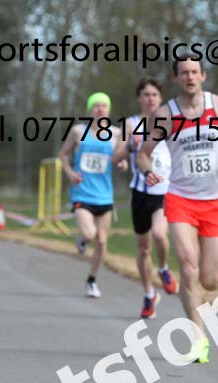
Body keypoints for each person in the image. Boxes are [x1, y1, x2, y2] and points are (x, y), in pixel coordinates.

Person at [138, 58, 218, 363]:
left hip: (216, 201)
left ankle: (200, 306)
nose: (190, 77)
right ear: (175, 78)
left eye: (194, 72)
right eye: (184, 72)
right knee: (187, 267)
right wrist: (148, 171)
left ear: (203, 76)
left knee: (210, 280)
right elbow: (143, 154)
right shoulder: (164, 115)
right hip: (181, 199)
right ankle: (199, 338)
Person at [58, 92, 128, 298]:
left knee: (101, 241)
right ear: (90, 110)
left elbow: (121, 159)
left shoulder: (116, 134)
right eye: (96, 106)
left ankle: (92, 280)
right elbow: (62, 154)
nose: (100, 109)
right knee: (90, 234)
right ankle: (82, 239)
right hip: (82, 192)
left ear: (109, 110)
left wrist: (123, 164)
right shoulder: (78, 131)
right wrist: (70, 173)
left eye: (103, 105)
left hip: (104, 195)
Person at [126, 77, 177, 318]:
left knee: (159, 234)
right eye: (146, 95)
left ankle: (164, 268)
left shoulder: (169, 121)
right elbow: (122, 150)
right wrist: (129, 147)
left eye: (154, 95)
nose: (150, 99)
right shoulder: (131, 123)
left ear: (161, 98)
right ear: (139, 98)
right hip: (140, 192)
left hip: (164, 191)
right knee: (143, 248)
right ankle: (149, 295)